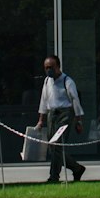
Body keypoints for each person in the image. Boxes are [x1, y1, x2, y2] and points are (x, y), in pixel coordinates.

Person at [38, 54, 86, 183]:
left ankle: (54, 176)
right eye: (46, 67)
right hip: (51, 114)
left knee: (57, 146)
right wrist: (41, 119)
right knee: (53, 148)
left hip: (64, 114)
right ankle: (77, 168)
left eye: (51, 67)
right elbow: (44, 100)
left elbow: (75, 101)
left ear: (58, 67)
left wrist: (78, 120)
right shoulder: (47, 81)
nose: (49, 70)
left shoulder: (67, 81)